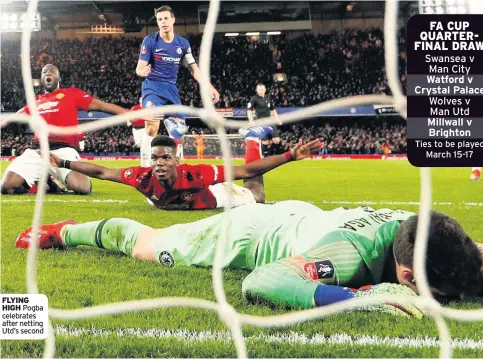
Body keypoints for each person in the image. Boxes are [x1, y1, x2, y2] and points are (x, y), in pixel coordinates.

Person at [16, 201, 483, 317]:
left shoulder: (429, 233)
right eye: (441, 293)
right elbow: (261, 282)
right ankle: (65, 232)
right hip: (247, 235)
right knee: (149, 245)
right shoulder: (348, 254)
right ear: (405, 275)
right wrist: (355, 297)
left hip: (305, 219)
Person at [44, 135, 322, 210]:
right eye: (155, 158)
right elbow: (103, 172)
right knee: (152, 195)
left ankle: (253, 142)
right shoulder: (141, 177)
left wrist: (290, 156)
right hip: (163, 199)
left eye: (166, 157)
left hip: (214, 198)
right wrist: (64, 163)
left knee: (256, 195)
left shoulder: (198, 174)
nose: (159, 162)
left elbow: (244, 169)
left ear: (177, 160)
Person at [0, 64, 129, 195]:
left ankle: (53, 182)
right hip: (37, 150)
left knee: (82, 188)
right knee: (6, 187)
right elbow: (23, 110)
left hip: (64, 150)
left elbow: (102, 106)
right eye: (44, 72)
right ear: (41, 78)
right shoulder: (36, 101)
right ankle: (45, 185)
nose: (48, 73)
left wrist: (130, 114)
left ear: (58, 77)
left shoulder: (71, 94)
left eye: (51, 71)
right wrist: (5, 121)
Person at [136, 5, 220, 168]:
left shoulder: (182, 44)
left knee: (179, 135)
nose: (163, 22)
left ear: (173, 20)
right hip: (152, 88)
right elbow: (139, 68)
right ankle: (145, 169)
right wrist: (142, 71)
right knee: (152, 128)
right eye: (160, 19)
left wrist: (209, 86)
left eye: (166, 18)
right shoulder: (150, 41)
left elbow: (194, 69)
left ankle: (174, 167)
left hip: (171, 89)